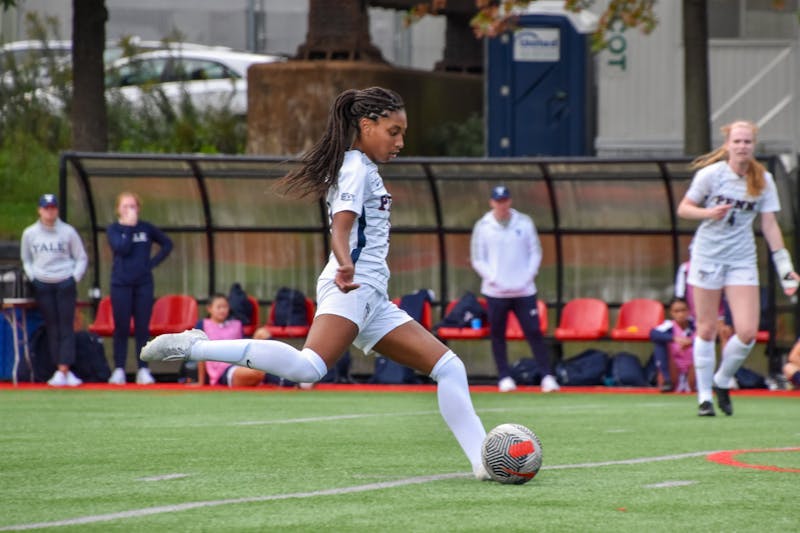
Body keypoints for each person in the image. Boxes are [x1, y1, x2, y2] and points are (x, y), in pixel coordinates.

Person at [141, 87, 491, 480]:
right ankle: (196, 346)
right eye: (393, 131)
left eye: (402, 133)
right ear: (366, 125)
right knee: (309, 368)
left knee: (449, 367)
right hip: (352, 287)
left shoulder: (360, 166)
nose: (400, 142)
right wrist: (344, 264)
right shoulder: (355, 167)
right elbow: (341, 227)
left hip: (372, 296)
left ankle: (484, 462)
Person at [677, 120, 800, 417]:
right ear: (727, 145)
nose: (742, 146)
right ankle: (704, 397)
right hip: (707, 256)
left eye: (747, 142)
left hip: (741, 259)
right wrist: (709, 212)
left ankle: (721, 380)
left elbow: (769, 225)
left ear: (753, 145)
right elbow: (684, 208)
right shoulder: (711, 175)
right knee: (705, 328)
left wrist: (786, 268)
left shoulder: (763, 180)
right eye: (737, 142)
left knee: (746, 332)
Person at [470, 185, 559, 393]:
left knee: (534, 332)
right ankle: (504, 377)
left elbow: (535, 252)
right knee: (498, 334)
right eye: (498, 201)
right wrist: (493, 278)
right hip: (496, 292)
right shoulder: (483, 226)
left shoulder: (525, 223)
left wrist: (528, 276)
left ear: (510, 201)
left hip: (524, 290)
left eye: (505, 200)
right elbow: (477, 258)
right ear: (492, 202)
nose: (502, 205)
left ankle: (547, 376)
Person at [20, 193, 88, 387]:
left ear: (57, 210)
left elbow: (81, 257)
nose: (49, 212)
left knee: (66, 325)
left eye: (53, 208)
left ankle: (65, 368)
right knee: (52, 326)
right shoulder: (30, 233)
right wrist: (33, 277)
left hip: (64, 281)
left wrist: (74, 277)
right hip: (43, 282)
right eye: (46, 208)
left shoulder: (68, 232)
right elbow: (26, 259)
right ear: (40, 210)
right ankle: (57, 368)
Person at [107, 191, 173, 385]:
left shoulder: (146, 228)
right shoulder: (114, 229)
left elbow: (167, 244)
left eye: (133, 206)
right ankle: (119, 369)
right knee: (122, 326)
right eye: (125, 206)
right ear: (118, 209)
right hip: (120, 283)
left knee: (142, 327)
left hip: (143, 283)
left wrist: (151, 264)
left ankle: (143, 368)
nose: (130, 210)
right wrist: (128, 228)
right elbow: (121, 249)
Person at [196, 294, 267, 387]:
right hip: (222, 372)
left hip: (241, 364)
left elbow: (245, 349)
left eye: (225, 307)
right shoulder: (203, 325)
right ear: (209, 309)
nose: (222, 310)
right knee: (258, 373)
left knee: (263, 334)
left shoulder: (237, 324)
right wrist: (201, 382)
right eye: (219, 307)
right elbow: (200, 355)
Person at [650, 297, 695, 393]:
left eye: (683, 310)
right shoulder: (669, 325)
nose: (681, 314)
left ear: (689, 311)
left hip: (692, 368)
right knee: (660, 343)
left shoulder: (696, 325)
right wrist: (674, 339)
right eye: (676, 311)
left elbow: (710, 335)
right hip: (674, 368)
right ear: (671, 313)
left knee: (703, 346)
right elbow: (653, 334)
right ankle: (667, 381)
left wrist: (691, 342)